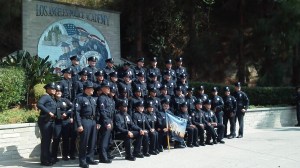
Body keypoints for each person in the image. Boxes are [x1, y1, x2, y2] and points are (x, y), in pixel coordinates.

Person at [74, 81, 99, 168]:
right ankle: (82, 161)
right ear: (86, 89)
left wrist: (97, 122)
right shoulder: (80, 98)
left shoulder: (92, 99)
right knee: (84, 142)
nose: (93, 90)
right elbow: (76, 112)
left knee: (92, 141)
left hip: (93, 121)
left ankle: (90, 158)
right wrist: (79, 124)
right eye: (91, 88)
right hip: (85, 121)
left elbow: (96, 112)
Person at [51, 85, 74, 162]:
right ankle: (54, 157)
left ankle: (65, 155)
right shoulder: (52, 100)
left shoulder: (65, 100)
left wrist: (67, 113)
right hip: (57, 122)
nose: (58, 93)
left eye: (60, 91)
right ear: (55, 92)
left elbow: (72, 107)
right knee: (56, 139)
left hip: (65, 122)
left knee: (66, 139)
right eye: (57, 91)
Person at [37, 82, 57, 166]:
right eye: (52, 89)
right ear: (47, 89)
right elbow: (39, 104)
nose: (54, 90)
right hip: (45, 121)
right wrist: (49, 112)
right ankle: (44, 160)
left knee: (48, 141)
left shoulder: (51, 98)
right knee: (45, 141)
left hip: (50, 121)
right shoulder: (45, 97)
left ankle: (48, 158)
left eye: (54, 89)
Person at [97, 82, 114, 163]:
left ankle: (106, 154)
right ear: (102, 88)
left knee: (107, 140)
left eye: (109, 88)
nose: (108, 89)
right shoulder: (101, 98)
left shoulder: (108, 98)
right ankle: (103, 157)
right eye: (106, 88)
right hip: (104, 121)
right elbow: (102, 111)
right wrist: (107, 122)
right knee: (104, 140)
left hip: (109, 120)